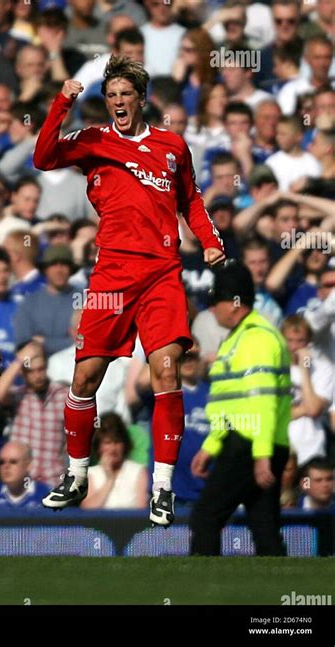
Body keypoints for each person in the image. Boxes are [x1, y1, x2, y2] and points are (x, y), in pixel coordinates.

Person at [33, 56, 225, 526]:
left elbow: (190, 201)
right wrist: (63, 100)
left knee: (167, 373)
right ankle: (77, 474)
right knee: (84, 379)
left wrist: (210, 239)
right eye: (111, 95)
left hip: (161, 273)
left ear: (141, 99)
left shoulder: (172, 146)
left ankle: (162, 487)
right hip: (111, 276)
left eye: (125, 94)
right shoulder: (93, 140)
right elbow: (43, 157)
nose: (118, 102)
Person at [190, 262, 291, 556]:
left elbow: (262, 401)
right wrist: (211, 445)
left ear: (234, 303)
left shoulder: (257, 339)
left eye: (214, 302)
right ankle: (280, 596)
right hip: (254, 443)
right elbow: (228, 401)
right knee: (264, 529)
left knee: (205, 517)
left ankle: (202, 594)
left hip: (250, 445)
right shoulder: (238, 338)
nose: (211, 310)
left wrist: (261, 456)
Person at [0, 341, 69, 487]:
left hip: (53, 481)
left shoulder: (63, 394)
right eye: (31, 371)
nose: (37, 375)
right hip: (23, 482)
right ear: (23, 372)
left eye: (41, 369)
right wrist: (20, 360)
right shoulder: (18, 396)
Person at [281, 315, 332, 466]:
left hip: (310, 450)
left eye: (300, 341)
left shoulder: (324, 368)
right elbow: (269, 411)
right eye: (289, 340)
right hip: (280, 447)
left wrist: (304, 370)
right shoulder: (273, 365)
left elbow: (313, 410)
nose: (294, 346)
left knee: (307, 487)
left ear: (309, 341)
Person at [81, 413, 148, 509]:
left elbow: (142, 510)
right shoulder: (91, 474)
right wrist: (110, 480)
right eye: (107, 443)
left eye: (117, 442)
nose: (113, 449)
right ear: (99, 446)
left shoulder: (138, 471)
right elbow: (87, 510)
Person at [0, 441, 49, 508]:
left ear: (28, 466)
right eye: (2, 462)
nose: (6, 466)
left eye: (13, 462)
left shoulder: (48, 496)